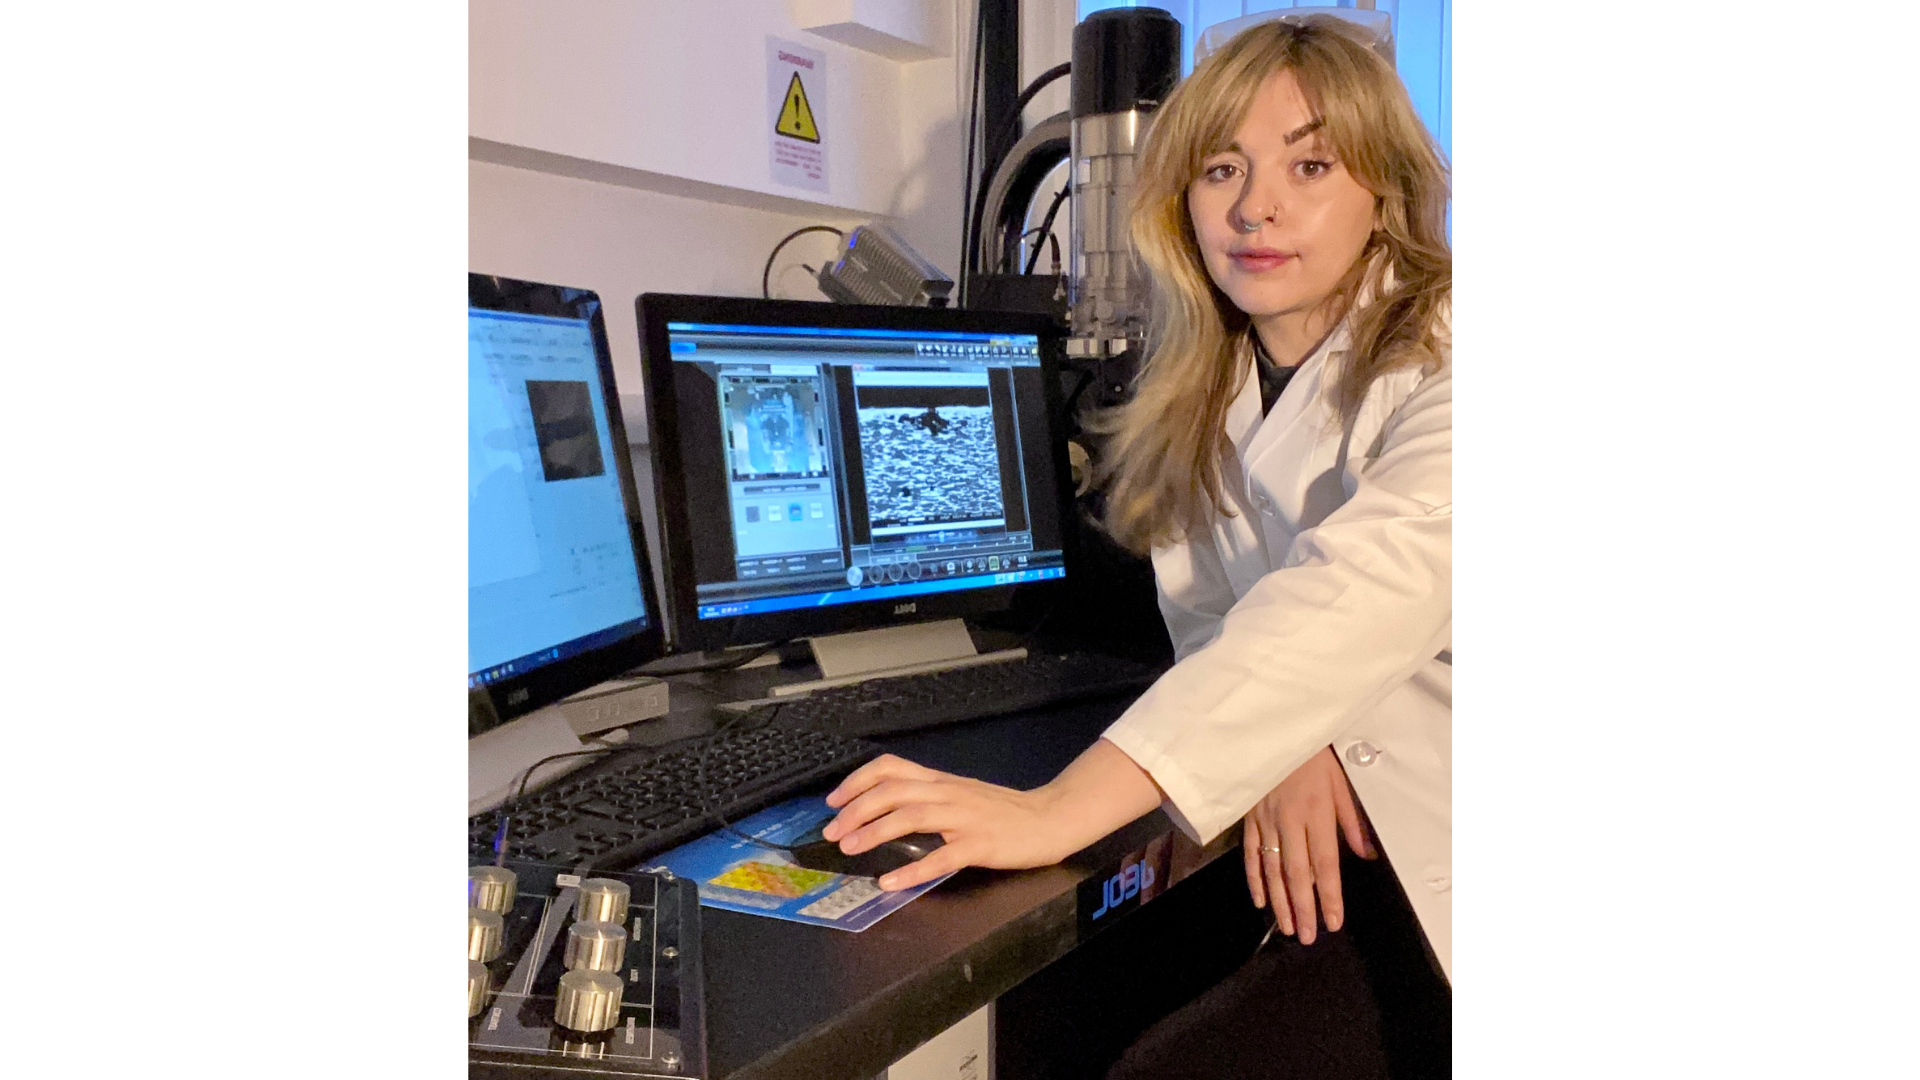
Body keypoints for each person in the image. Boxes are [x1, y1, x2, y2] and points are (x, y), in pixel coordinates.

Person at [824, 12, 1451, 1068]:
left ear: (1384, 192)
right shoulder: (1213, 380)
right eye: (1221, 169)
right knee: (1066, 1016)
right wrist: (1284, 742)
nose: (1255, 207)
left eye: (1310, 166)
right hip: (1339, 831)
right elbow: (1215, 614)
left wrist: (1057, 811)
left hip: (1428, 839)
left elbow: (1370, 586)